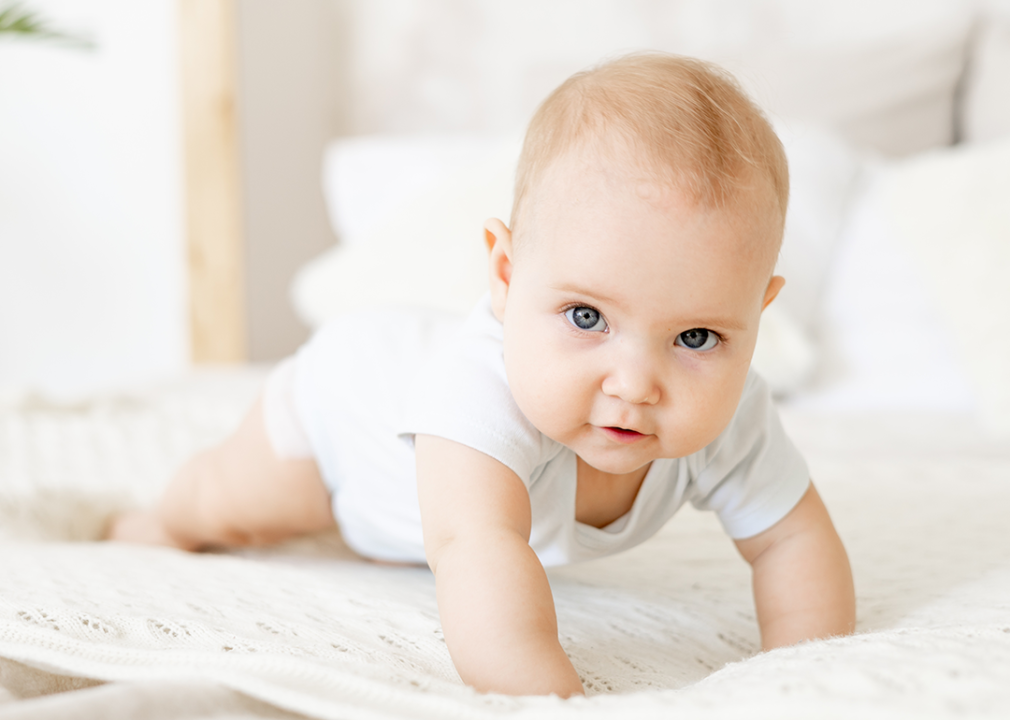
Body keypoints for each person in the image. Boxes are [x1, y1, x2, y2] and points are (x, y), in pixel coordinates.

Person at [108, 52, 855, 697]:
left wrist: (804, 674)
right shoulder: (475, 397)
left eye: (696, 336)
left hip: (405, 490)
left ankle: (377, 540)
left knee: (401, 534)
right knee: (230, 504)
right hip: (340, 417)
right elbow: (478, 554)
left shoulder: (739, 419)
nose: (633, 383)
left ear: (758, 315)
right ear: (505, 273)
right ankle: (153, 521)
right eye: (587, 318)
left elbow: (792, 543)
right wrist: (550, 697)